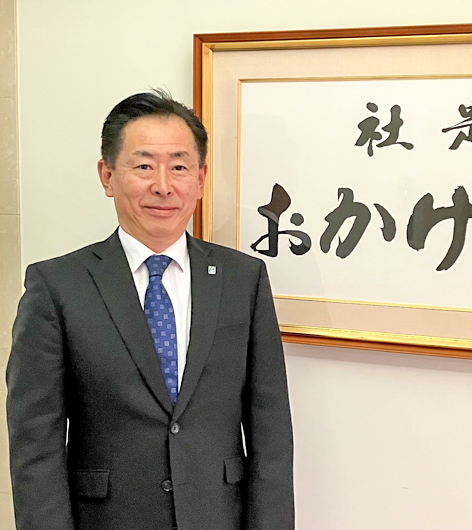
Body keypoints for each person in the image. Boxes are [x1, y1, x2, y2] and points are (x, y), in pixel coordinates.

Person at [6, 90, 294, 530]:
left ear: (200, 178)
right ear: (107, 176)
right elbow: (35, 446)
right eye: (143, 166)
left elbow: (271, 433)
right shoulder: (57, 286)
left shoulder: (243, 279)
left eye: (179, 166)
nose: (163, 185)